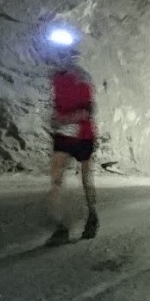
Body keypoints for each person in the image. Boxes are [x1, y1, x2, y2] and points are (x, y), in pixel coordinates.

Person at [46, 28, 99, 244]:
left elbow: (89, 110)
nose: (59, 59)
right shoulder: (56, 79)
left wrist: (63, 120)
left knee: (86, 179)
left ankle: (92, 216)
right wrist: (55, 119)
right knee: (56, 179)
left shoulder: (83, 79)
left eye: (63, 55)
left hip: (84, 135)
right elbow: (55, 104)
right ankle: (61, 226)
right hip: (64, 136)